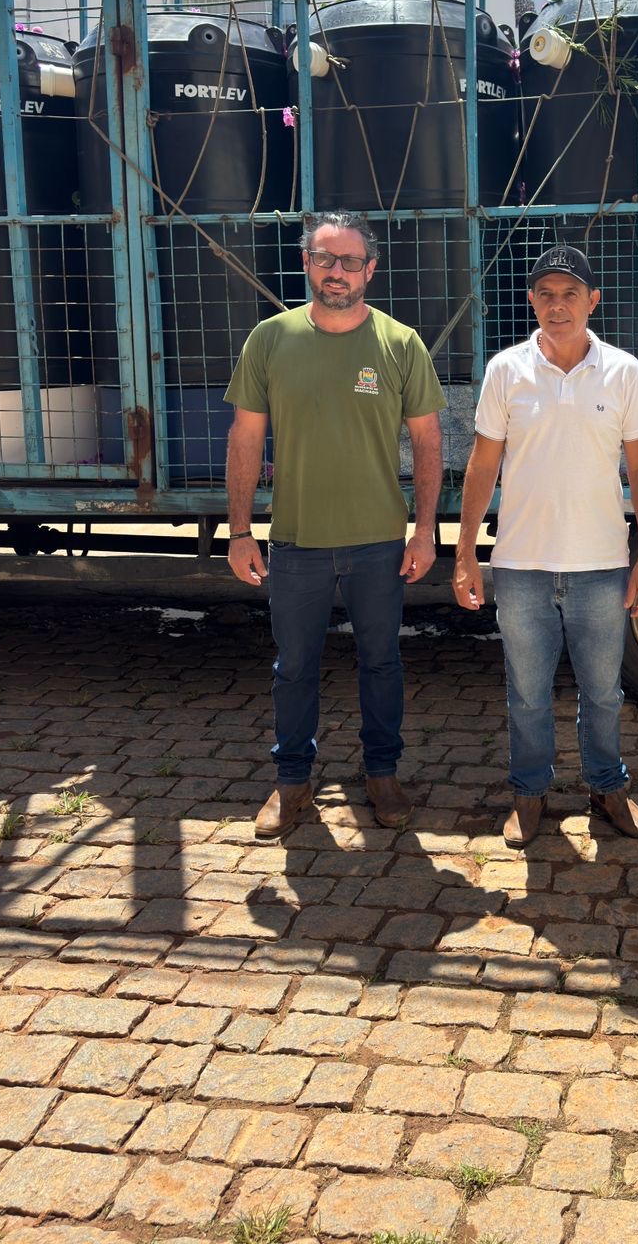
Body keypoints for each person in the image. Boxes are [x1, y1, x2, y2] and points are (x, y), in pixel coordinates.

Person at [225, 210, 446, 840]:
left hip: (379, 542)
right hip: (296, 542)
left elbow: (428, 441)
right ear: (306, 263)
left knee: (382, 663)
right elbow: (245, 438)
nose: (337, 271)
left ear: (370, 269)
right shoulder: (270, 339)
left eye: (350, 260)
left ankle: (382, 775)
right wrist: (240, 531)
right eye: (325, 258)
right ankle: (292, 781)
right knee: (293, 667)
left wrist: (424, 531)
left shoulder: (400, 344)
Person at [452, 244, 638, 848]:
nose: (558, 305)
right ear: (531, 301)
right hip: (522, 565)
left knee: (604, 693)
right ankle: (529, 792)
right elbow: (483, 464)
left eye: (571, 294)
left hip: (601, 564)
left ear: (593, 301)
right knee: (527, 694)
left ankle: (607, 786)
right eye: (546, 294)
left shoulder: (623, 371)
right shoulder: (505, 371)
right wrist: (465, 553)